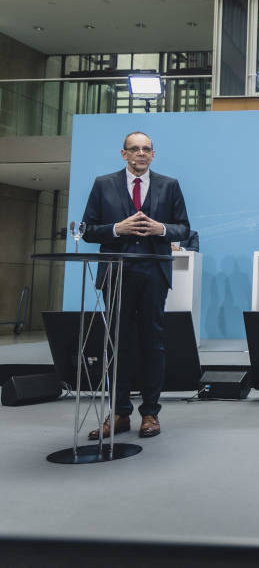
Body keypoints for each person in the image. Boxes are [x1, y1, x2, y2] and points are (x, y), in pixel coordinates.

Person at [81, 131, 190, 440]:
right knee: (117, 344)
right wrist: (116, 228)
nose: (140, 153)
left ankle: (151, 413)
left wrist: (162, 228)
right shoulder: (104, 184)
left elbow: (184, 227)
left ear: (153, 154)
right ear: (123, 154)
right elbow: (88, 230)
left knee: (153, 343)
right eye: (134, 149)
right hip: (117, 272)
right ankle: (119, 413)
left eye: (146, 149)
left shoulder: (170, 185)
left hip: (154, 270)